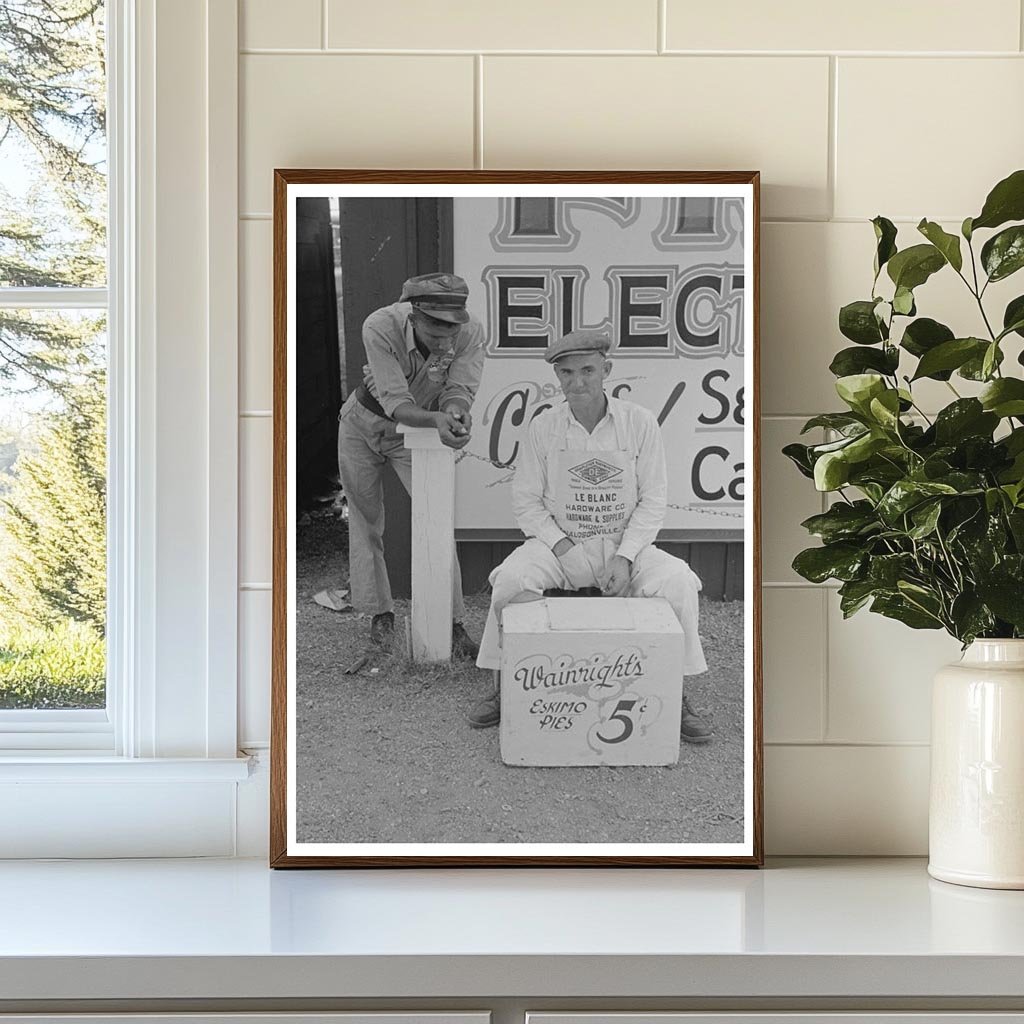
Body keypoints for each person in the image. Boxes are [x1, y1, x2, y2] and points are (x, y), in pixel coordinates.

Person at [467, 328, 712, 741]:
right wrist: (563, 549)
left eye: (587, 370)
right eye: (566, 373)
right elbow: (526, 501)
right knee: (512, 579)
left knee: (678, 581)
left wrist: (626, 555)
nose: (577, 382)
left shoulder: (639, 422)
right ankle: (501, 684)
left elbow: (653, 500)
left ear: (606, 370)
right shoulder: (544, 427)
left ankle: (678, 692)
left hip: (623, 546)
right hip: (560, 545)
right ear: (557, 377)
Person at [337, 272, 484, 658]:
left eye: (452, 330)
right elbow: (394, 402)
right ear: (412, 314)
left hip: (416, 431)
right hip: (363, 422)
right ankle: (380, 615)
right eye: (435, 332)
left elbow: (460, 388)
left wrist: (456, 412)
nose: (445, 341)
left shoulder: (471, 333)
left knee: (436, 516)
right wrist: (437, 420)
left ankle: (451, 623)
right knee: (366, 518)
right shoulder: (380, 325)